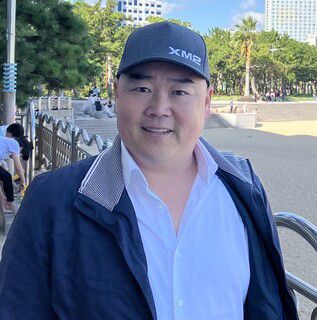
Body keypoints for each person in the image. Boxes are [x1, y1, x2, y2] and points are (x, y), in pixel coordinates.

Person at [0, 22, 298, 319]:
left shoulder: (244, 187)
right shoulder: (52, 201)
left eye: (180, 91)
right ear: (117, 95)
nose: (159, 108)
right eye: (142, 89)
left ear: (207, 102)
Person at [0, 126, 25, 214]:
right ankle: (10, 203)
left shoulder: (3, 140)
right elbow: (18, 166)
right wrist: (23, 181)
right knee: (7, 177)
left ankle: (5, 201)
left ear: (9, 133)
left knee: (4, 171)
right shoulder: (13, 142)